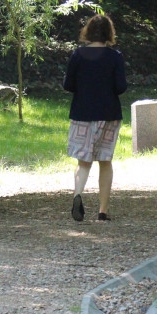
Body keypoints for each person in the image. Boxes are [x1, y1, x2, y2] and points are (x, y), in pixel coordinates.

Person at [63, 13, 127, 221]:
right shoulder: (115, 56)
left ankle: (78, 195)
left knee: (83, 162)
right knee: (105, 161)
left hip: (82, 113)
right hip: (108, 114)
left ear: (88, 31)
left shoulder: (77, 55)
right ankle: (102, 211)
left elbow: (68, 85)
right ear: (109, 33)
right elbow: (121, 87)